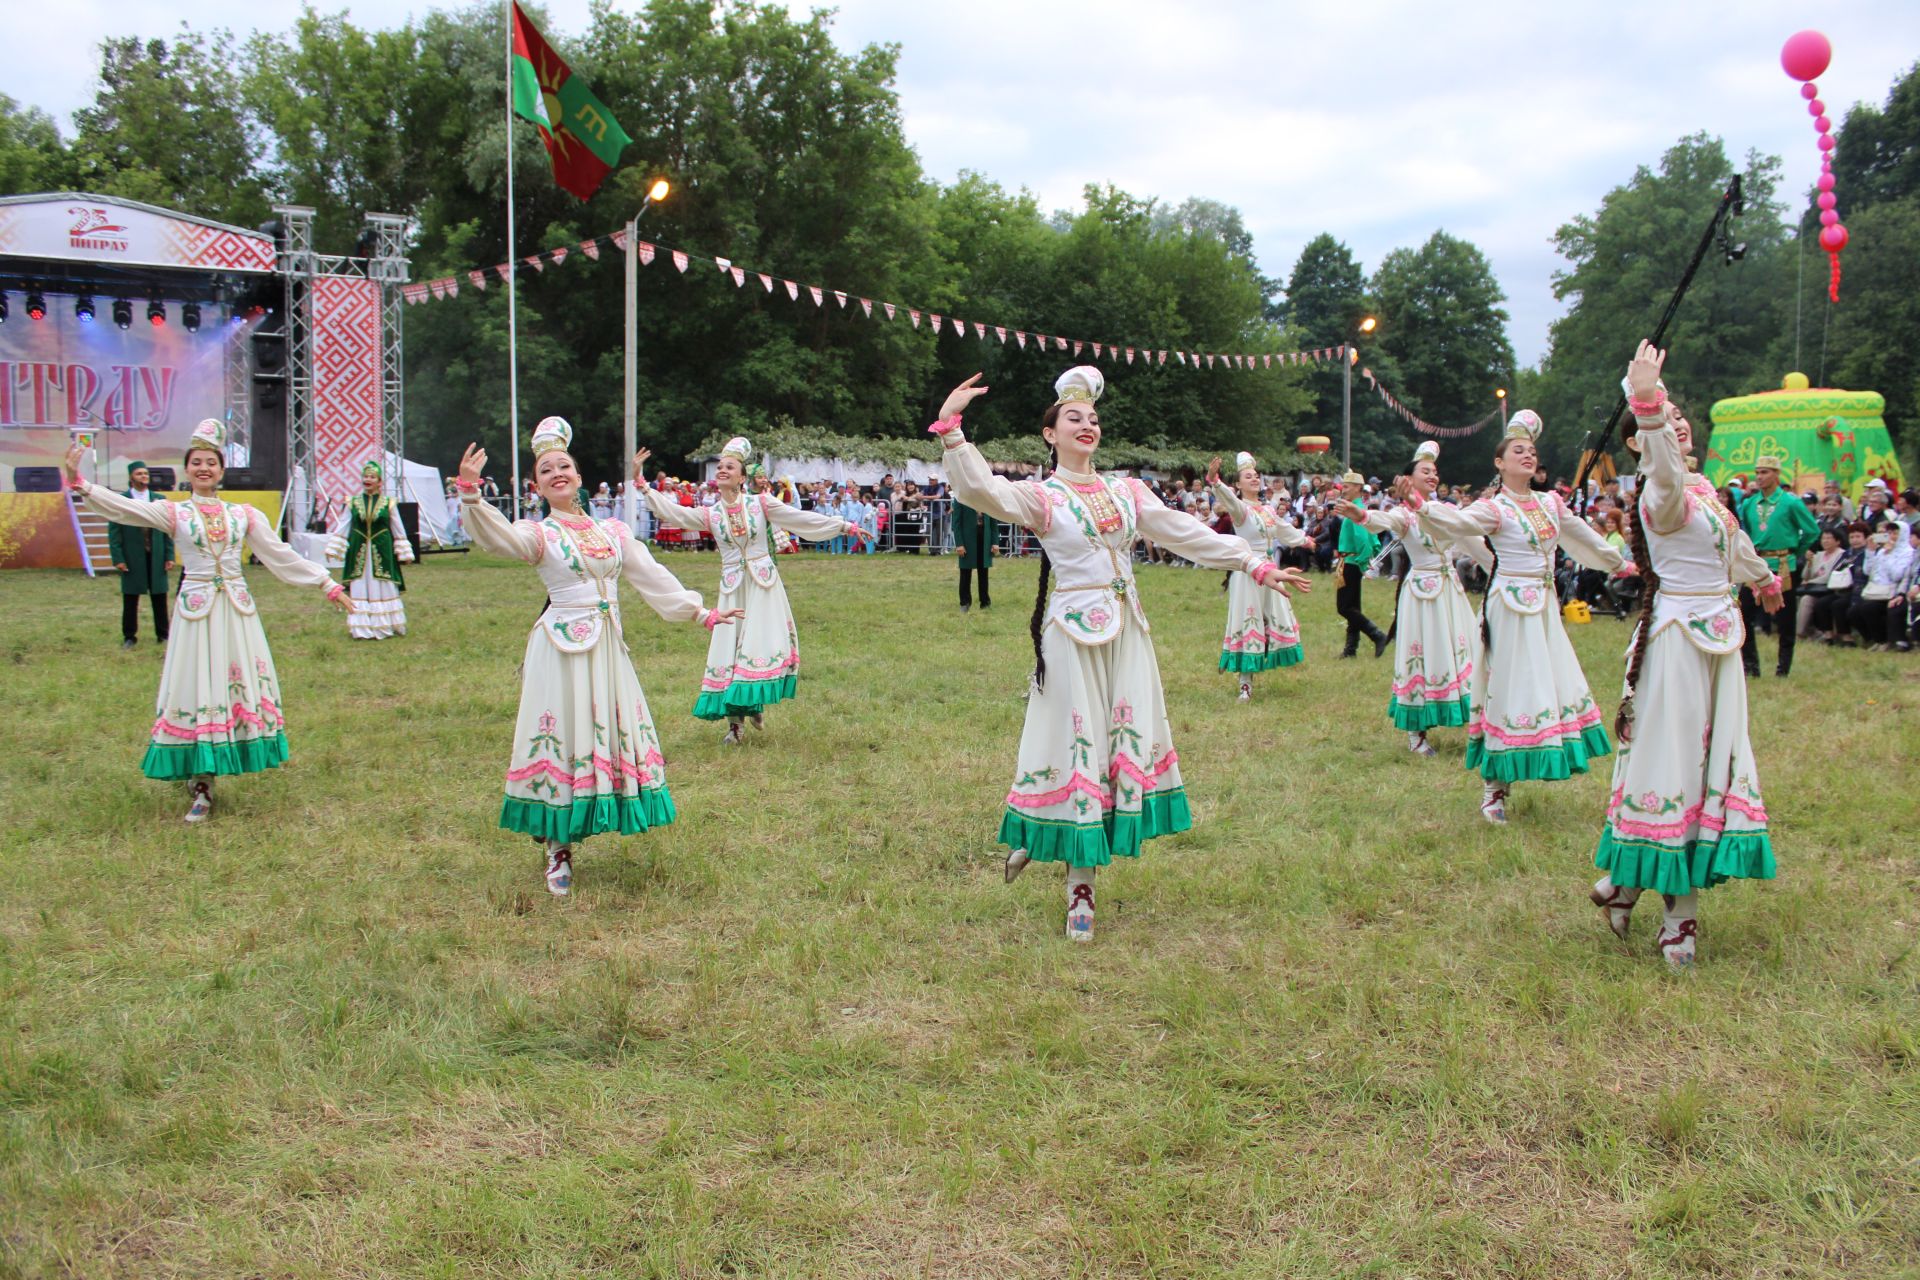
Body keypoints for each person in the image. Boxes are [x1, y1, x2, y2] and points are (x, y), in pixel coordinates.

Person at [929, 368, 1311, 942]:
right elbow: (983, 490)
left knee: (1114, 751)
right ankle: (1078, 884)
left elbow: (1182, 530)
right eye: (1074, 418)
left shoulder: (1126, 491)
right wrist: (953, 429)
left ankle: (1048, 844)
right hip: (1072, 638)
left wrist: (1251, 562)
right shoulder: (1043, 496)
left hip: (1128, 633)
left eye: (1094, 419)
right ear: (1050, 434)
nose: (1088, 426)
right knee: (1079, 749)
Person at [453, 420, 740, 896]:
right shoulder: (537, 533)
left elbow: (650, 573)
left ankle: (586, 819)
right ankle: (556, 847)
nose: (556, 473)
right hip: (561, 652)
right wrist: (469, 493)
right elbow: (497, 539)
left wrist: (700, 612)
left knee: (604, 739)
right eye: (546, 470)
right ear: (537, 485)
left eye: (564, 465)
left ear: (579, 476)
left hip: (607, 650)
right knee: (562, 740)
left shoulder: (612, 530)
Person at [1591, 341, 1784, 969]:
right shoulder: (1660, 495)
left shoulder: (1702, 491)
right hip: (1676, 640)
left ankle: (1627, 883)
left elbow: (1734, 539)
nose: (1676, 423)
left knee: (1706, 770)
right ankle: (1678, 912)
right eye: (1662, 420)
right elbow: (1668, 475)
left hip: (1719, 637)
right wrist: (1645, 402)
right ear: (1642, 442)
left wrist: (1761, 578)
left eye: (1678, 415)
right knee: (1673, 770)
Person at [64, 422, 353, 822]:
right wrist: (82, 484)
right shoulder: (174, 512)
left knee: (230, 689)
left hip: (236, 613)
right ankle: (201, 781)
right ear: (187, 470)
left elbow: (279, 554)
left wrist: (326, 583)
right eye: (196, 462)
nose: (204, 468)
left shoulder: (243, 515)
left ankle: (214, 767)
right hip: (196, 613)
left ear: (221, 471)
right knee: (199, 686)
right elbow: (126, 509)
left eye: (211, 462)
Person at [1412, 409, 1625, 823]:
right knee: (1506, 689)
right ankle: (1494, 789)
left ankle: (1520, 767)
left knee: (1544, 687)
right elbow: (1456, 523)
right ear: (1500, 463)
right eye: (1518, 451)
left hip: (1543, 609)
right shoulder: (1495, 508)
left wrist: (1616, 562)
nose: (1528, 456)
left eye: (1532, 451)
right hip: (1508, 607)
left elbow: (1580, 534)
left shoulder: (1550, 503)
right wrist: (1424, 507)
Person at [635, 437, 868, 745]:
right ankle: (735, 724)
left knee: (757, 646)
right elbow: (673, 513)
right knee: (730, 648)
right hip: (732, 587)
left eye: (729, 467)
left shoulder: (760, 504)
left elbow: (798, 518)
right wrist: (642, 484)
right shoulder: (711, 513)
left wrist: (844, 527)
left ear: (742, 477)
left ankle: (753, 703)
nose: (722, 470)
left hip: (762, 583)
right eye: (719, 467)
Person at [1333, 441, 1491, 755]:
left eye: (1435, 472)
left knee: (1465, 652)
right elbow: (1383, 522)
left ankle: (1479, 725)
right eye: (1425, 471)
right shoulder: (1404, 515)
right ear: (1408, 478)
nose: (1432, 476)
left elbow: (1471, 541)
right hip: (1421, 591)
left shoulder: (1446, 510)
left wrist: (1499, 569)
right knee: (1422, 656)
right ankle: (1415, 732)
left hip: (1450, 590)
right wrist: (1360, 515)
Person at [1207, 450, 1313, 700]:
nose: (1254, 479)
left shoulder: (1267, 510)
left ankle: (1252, 666)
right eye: (1248, 476)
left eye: (1256, 475)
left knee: (1270, 619)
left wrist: (1306, 541)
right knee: (1248, 622)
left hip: (1270, 570)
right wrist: (1214, 480)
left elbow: (1285, 530)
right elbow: (1227, 498)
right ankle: (1245, 682)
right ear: (1239, 484)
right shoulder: (1241, 509)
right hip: (1247, 571)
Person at [1735, 455, 1819, 677]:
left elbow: (1811, 530)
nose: (1759, 477)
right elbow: (1746, 533)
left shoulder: (1791, 502)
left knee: (1785, 618)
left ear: (1776, 474)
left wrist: (1795, 552)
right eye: (1758, 472)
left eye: (1765, 472)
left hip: (1783, 565)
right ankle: (1751, 667)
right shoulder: (1749, 503)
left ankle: (1783, 669)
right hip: (1756, 565)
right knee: (1743, 613)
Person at [325, 460, 414, 640]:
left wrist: (404, 551)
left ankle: (386, 625)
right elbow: (344, 524)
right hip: (359, 549)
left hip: (382, 549)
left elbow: (398, 527)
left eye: (372, 477)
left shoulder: (389, 503)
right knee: (360, 584)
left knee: (382, 583)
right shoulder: (354, 502)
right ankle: (362, 628)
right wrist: (334, 547)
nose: (368, 479)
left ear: (380, 481)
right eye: (365, 476)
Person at [106, 458, 174, 650]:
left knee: (159, 596)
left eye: (145, 473)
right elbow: (114, 530)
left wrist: (169, 555)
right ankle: (129, 636)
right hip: (133, 555)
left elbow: (168, 530)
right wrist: (118, 557)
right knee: (131, 597)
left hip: (157, 554)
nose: (144, 477)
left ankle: (163, 634)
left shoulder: (159, 500)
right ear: (131, 477)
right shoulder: (123, 500)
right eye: (139, 474)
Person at [1333, 470, 1389, 658]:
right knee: (1353, 607)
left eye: (1347, 487)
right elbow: (1371, 538)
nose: (1343, 490)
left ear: (1358, 488)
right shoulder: (1357, 507)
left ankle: (1377, 635)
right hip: (1349, 561)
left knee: (1344, 607)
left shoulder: (1354, 510)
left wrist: (1363, 562)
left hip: (1351, 562)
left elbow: (1364, 539)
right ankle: (1351, 650)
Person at [952, 494, 997, 612]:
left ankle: (985, 602)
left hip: (984, 537)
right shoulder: (960, 497)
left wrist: (994, 541)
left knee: (983, 571)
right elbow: (956, 523)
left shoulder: (987, 497)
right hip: (967, 540)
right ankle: (965, 602)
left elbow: (993, 522)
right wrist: (959, 544)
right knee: (965, 572)